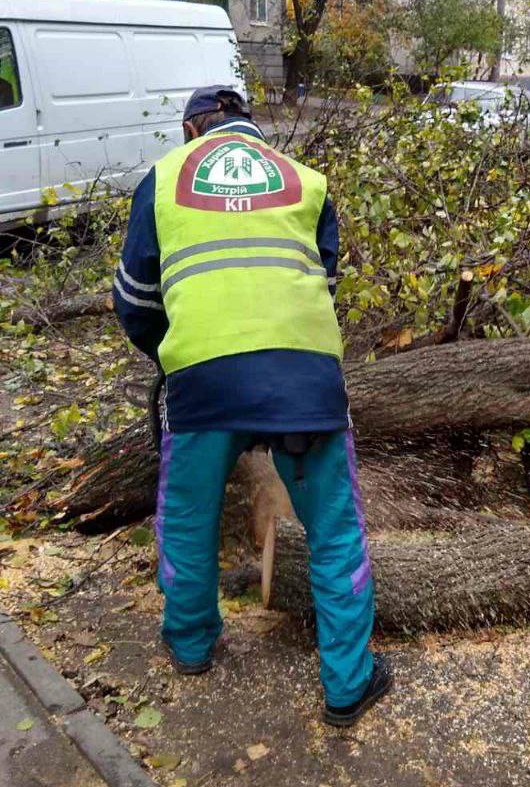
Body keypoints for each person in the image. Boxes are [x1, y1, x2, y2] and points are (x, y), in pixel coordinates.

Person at [113, 85, 391, 727]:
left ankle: (190, 647)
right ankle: (348, 685)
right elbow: (322, 283)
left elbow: (136, 301)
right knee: (334, 531)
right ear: (251, 126)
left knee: (189, 519)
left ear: (192, 130)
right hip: (305, 383)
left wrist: (177, 357)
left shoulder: (163, 180)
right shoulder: (306, 181)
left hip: (204, 382)